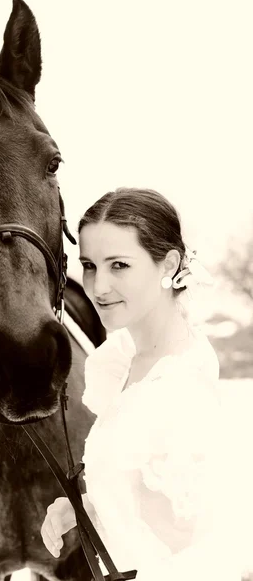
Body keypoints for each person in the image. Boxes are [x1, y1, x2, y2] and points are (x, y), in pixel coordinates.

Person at [41, 188, 243, 580]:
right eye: (89, 265)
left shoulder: (180, 391)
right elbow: (148, 502)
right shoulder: (122, 360)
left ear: (168, 265)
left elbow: (201, 548)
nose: (98, 287)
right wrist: (82, 507)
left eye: (119, 265)